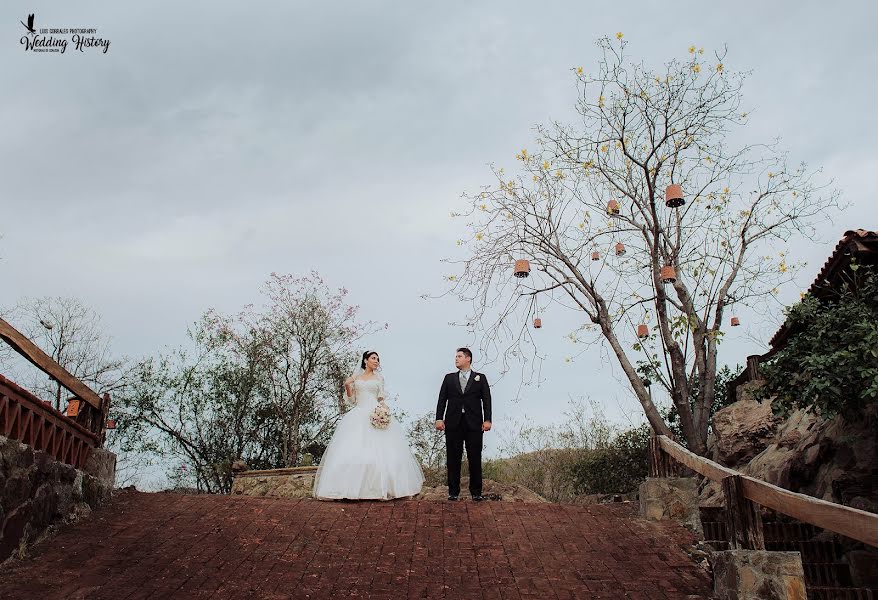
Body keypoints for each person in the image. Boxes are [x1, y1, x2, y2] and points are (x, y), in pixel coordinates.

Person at [313, 351, 424, 500]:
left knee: (380, 452)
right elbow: (352, 400)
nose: (376, 361)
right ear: (365, 361)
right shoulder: (356, 377)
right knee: (353, 451)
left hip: (374, 413)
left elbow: (381, 398)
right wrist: (347, 386)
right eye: (373, 358)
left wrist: (384, 410)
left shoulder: (379, 378)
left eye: (377, 359)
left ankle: (380, 489)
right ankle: (348, 489)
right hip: (358, 414)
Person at [435, 347, 492, 501]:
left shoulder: (481, 378)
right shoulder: (449, 378)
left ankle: (476, 492)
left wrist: (487, 420)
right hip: (453, 423)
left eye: (459, 356)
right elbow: (442, 400)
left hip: (474, 424)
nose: (456, 359)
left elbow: (486, 400)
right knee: (453, 457)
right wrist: (439, 418)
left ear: (468, 359)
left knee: (475, 457)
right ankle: (453, 491)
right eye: (456, 356)